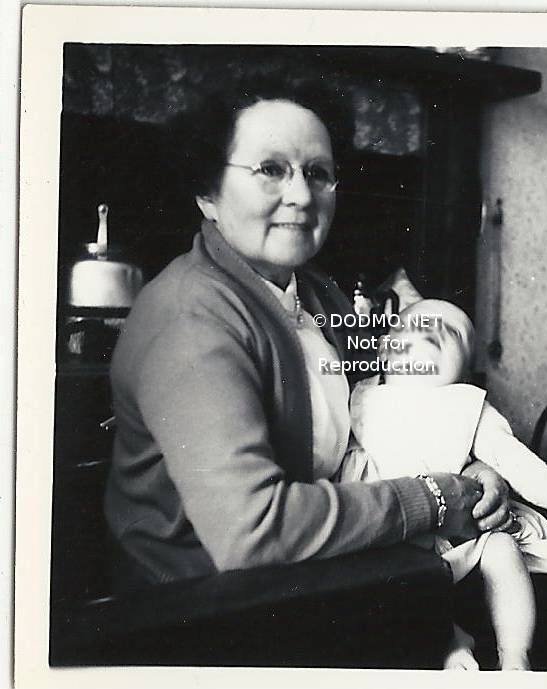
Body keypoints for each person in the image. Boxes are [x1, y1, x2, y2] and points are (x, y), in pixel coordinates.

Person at [103, 70, 512, 598]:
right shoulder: (190, 318)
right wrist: (433, 498)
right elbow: (253, 531)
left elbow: (387, 410)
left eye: (317, 173)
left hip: (309, 575)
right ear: (208, 192)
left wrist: (472, 466)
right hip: (198, 603)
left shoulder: (316, 293)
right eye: (271, 170)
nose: (300, 195)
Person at [340, 299, 547, 670]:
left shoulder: (465, 407)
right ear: (385, 348)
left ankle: (515, 655)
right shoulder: (359, 397)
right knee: (387, 574)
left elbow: (507, 453)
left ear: (463, 374)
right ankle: (450, 642)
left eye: (452, 333)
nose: (435, 329)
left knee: (501, 550)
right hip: (388, 531)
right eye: (418, 324)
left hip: (455, 533)